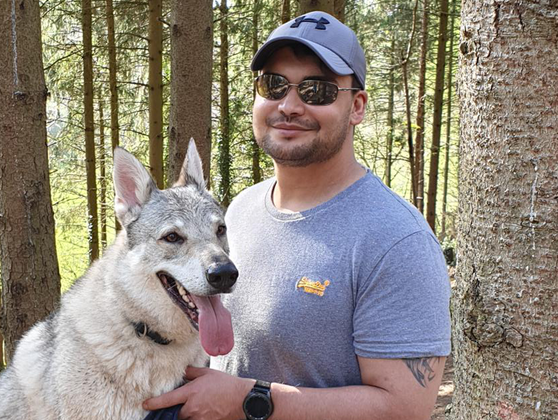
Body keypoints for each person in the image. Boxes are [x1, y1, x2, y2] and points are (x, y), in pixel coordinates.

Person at [143, 11, 451, 420]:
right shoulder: (240, 211)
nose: (289, 105)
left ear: (356, 106)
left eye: (317, 90)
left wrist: (247, 400)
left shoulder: (396, 240)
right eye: (274, 85)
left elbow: (404, 409)